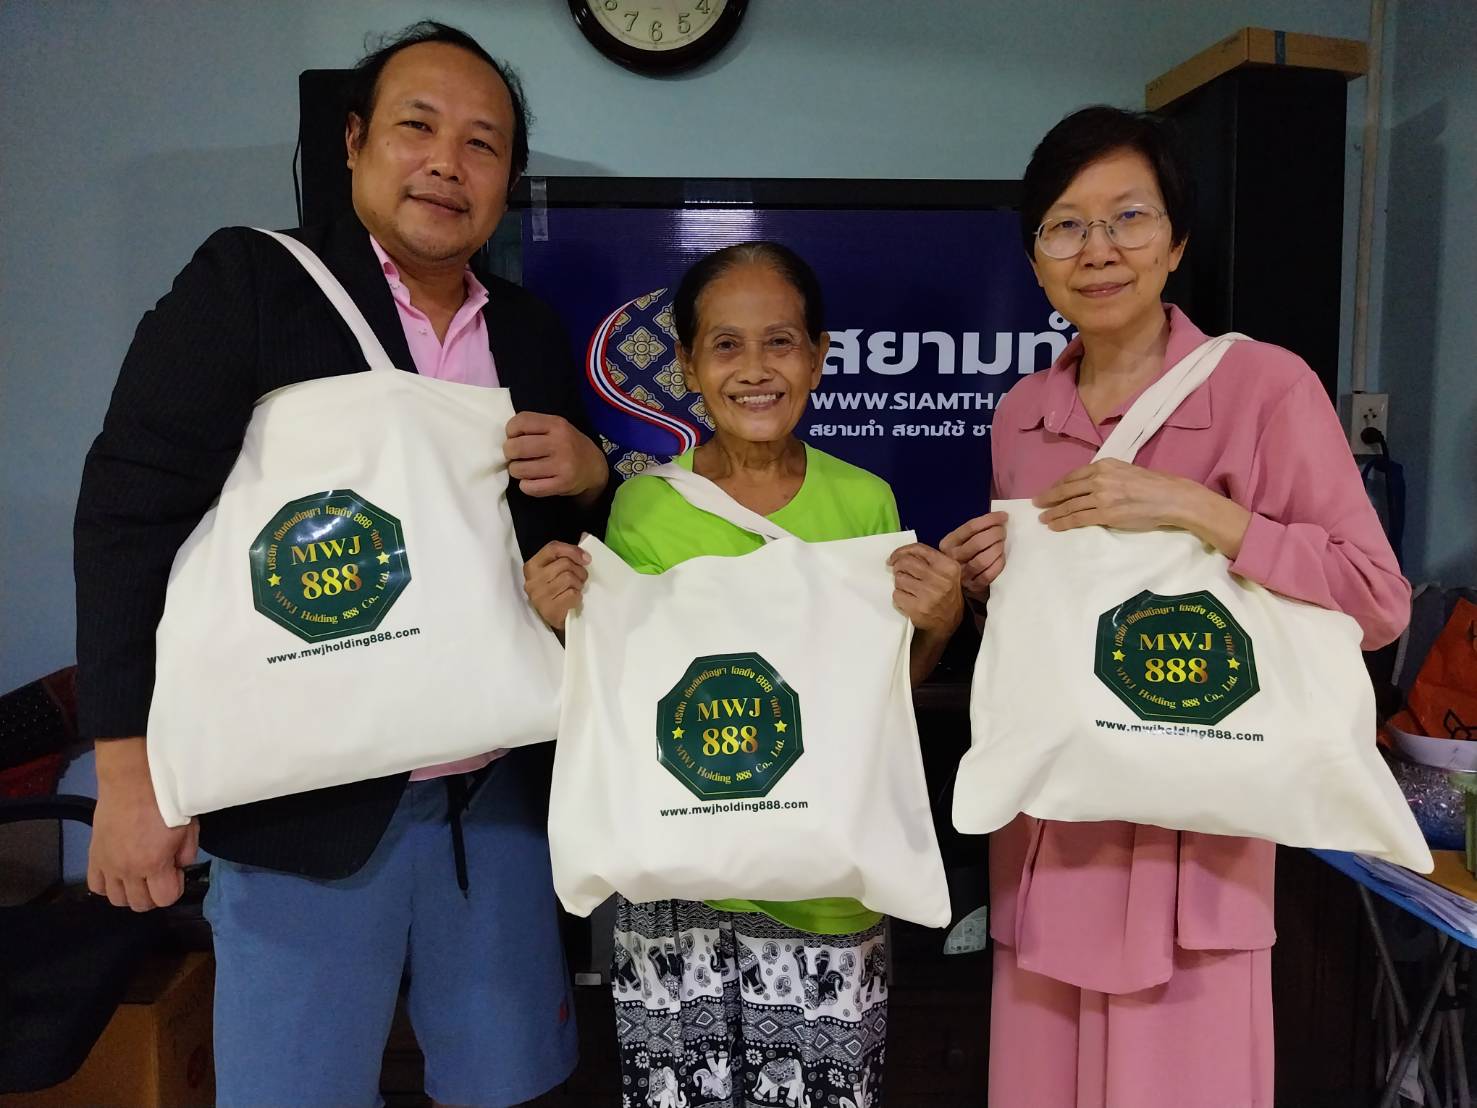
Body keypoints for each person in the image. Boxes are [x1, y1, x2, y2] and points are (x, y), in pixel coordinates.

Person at [73, 22, 610, 1107]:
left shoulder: (529, 330)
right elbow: (128, 516)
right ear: (356, 140)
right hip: (302, 810)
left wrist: (593, 476)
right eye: (419, 126)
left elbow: (553, 555)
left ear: (507, 179)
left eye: (482, 143)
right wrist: (130, 777)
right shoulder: (251, 284)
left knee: (508, 1085)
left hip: (495, 803)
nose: (447, 163)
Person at [941, 106, 1411, 1107]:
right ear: (1034, 259)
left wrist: (1199, 511)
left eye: (1128, 217)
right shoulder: (1021, 414)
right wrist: (989, 584)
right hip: (1049, 844)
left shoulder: (1263, 387)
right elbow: (1049, 643)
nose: (1097, 249)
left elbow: (1376, 600)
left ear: (1176, 241)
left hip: (1195, 865)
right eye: (1066, 226)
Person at [524, 241, 962, 1108]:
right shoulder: (644, 506)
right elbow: (625, 701)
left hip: (824, 887)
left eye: (780, 342)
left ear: (818, 357)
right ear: (688, 366)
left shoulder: (864, 501)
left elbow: (877, 703)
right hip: (677, 891)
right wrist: (558, 621)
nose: (755, 369)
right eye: (725, 345)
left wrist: (937, 624)